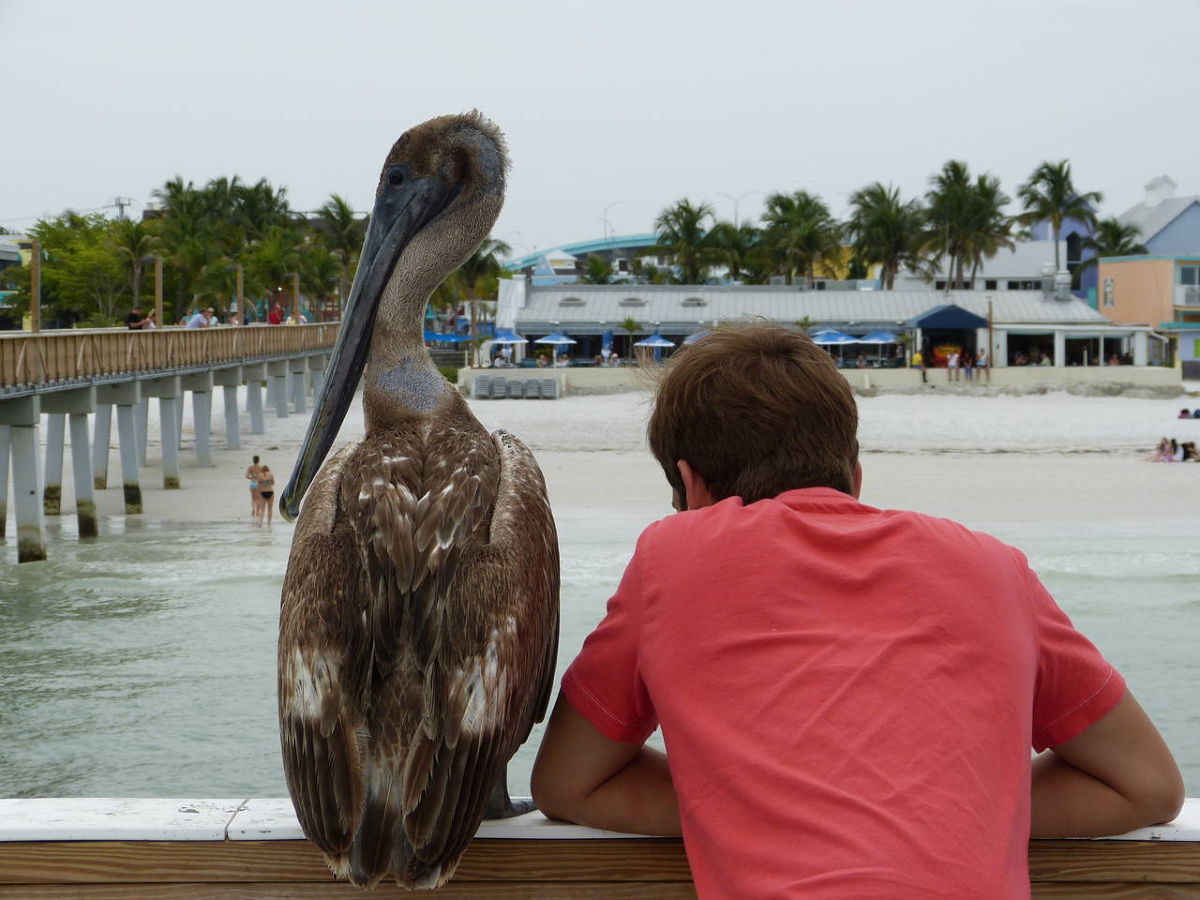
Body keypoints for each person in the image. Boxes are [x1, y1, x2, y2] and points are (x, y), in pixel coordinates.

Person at [531, 324, 1182, 899]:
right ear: (856, 475)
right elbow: (1145, 786)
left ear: (690, 482)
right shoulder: (994, 565)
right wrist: (941, 811)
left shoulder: (673, 554)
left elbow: (567, 784)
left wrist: (751, 804)